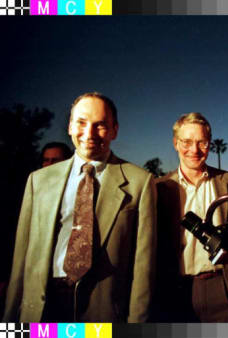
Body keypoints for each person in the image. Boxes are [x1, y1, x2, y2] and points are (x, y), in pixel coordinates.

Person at [3, 92, 157, 323]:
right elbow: (21, 259)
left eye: (100, 125)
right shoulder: (38, 180)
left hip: (103, 313)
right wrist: (9, 322)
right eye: (81, 123)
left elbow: (143, 266)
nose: (89, 133)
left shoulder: (140, 182)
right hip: (42, 310)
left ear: (114, 130)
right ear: (70, 127)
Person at [154, 112, 228, 322]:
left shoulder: (227, 181)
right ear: (176, 143)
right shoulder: (159, 188)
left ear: (209, 144)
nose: (194, 150)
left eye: (201, 142)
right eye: (186, 142)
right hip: (176, 289)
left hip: (223, 286)